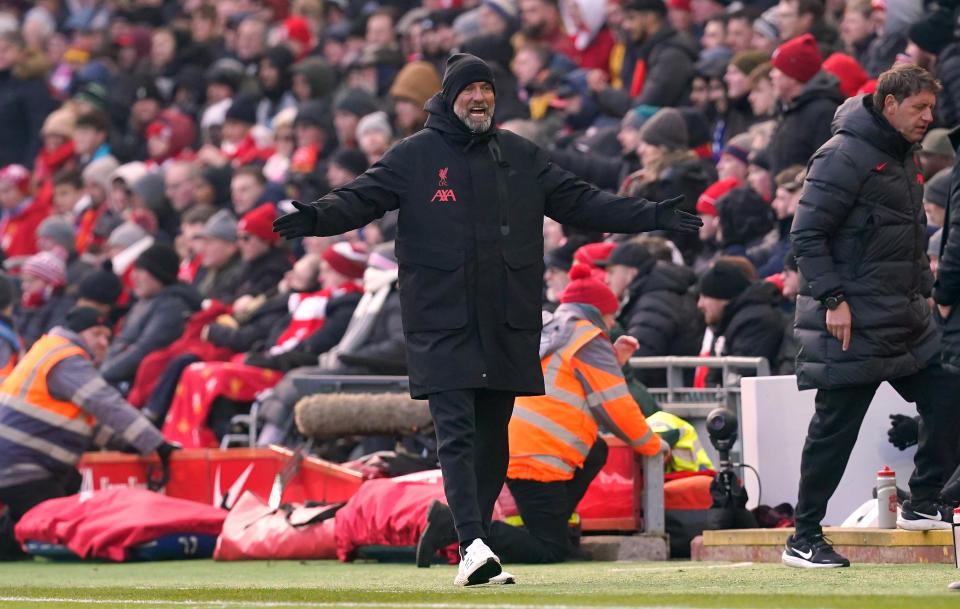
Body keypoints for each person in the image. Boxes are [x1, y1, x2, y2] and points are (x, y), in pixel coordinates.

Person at [273, 53, 701, 586]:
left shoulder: (521, 156)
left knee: (493, 444)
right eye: (469, 89)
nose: (480, 97)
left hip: (505, 323)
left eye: (487, 88)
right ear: (448, 97)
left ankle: (463, 533)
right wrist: (315, 217)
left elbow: (583, 202)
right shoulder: (415, 156)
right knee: (456, 435)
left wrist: (652, 214)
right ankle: (473, 548)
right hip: (442, 325)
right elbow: (360, 199)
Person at [787, 64, 957, 569]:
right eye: (919, 108)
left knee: (950, 395)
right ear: (889, 105)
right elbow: (806, 235)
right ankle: (802, 536)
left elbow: (905, 240)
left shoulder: (900, 155)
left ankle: (923, 500)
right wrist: (834, 299)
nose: (929, 117)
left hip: (904, 322)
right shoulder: (842, 155)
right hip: (852, 325)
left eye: (931, 107)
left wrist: (924, 294)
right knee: (834, 433)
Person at [416, 264, 664, 566]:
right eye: (611, 316)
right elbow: (617, 407)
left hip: (511, 444)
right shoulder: (588, 339)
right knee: (549, 550)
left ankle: (552, 526)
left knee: (597, 449)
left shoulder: (547, 329)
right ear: (598, 313)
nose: (613, 324)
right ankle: (458, 527)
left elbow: (570, 388)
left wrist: (615, 361)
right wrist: (654, 447)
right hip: (540, 458)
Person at [0, 307, 176, 559]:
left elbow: (84, 424)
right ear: (77, 333)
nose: (103, 342)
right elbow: (108, 404)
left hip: (17, 461)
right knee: (58, 529)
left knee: (70, 485)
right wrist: (157, 444)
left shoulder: (48, 350)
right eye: (96, 334)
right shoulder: (67, 358)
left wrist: (128, 445)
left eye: (107, 337)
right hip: (21, 466)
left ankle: (11, 538)